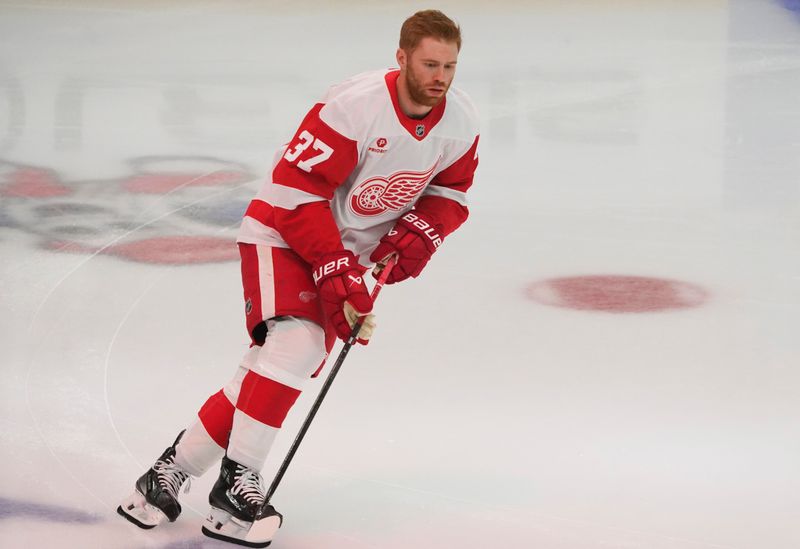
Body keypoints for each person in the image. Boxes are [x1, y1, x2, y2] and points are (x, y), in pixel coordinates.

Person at [117, 9, 480, 547]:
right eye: (429, 63)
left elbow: (451, 192)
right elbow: (295, 192)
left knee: (264, 377)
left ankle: (163, 478)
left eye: (450, 65)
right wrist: (334, 267)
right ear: (401, 57)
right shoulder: (354, 107)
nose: (441, 77)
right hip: (284, 233)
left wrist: (422, 232)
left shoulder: (461, 121)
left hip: (355, 255)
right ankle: (237, 487)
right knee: (298, 343)